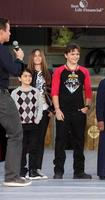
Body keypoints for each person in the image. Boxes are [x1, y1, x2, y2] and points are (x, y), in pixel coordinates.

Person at [51, 43, 92, 179]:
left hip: (78, 112)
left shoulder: (84, 71)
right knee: (60, 141)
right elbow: (54, 92)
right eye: (72, 54)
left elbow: (88, 92)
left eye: (77, 54)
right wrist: (57, 109)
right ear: (66, 55)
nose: (75, 56)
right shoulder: (59, 71)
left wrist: (87, 107)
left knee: (79, 141)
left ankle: (79, 171)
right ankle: (58, 171)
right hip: (62, 112)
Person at [0, 17, 31, 186]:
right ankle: (12, 177)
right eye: (8, 29)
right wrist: (19, 58)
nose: (10, 32)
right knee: (16, 133)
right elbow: (15, 71)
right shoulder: (2, 50)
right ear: (1, 31)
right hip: (1, 97)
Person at [11, 68, 43, 180]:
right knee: (22, 148)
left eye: (29, 76)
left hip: (33, 124)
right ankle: (21, 171)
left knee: (34, 147)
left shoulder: (36, 92)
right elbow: (12, 110)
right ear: (20, 78)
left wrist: (38, 119)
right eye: (25, 76)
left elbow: (40, 107)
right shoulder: (15, 93)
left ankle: (32, 171)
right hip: (21, 125)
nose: (28, 78)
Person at [27, 48, 53, 179]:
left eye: (40, 56)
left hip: (44, 109)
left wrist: (51, 109)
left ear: (43, 58)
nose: (37, 58)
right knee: (32, 140)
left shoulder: (48, 74)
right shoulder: (28, 73)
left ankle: (37, 168)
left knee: (40, 140)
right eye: (35, 56)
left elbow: (52, 92)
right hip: (31, 111)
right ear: (32, 58)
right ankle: (29, 169)